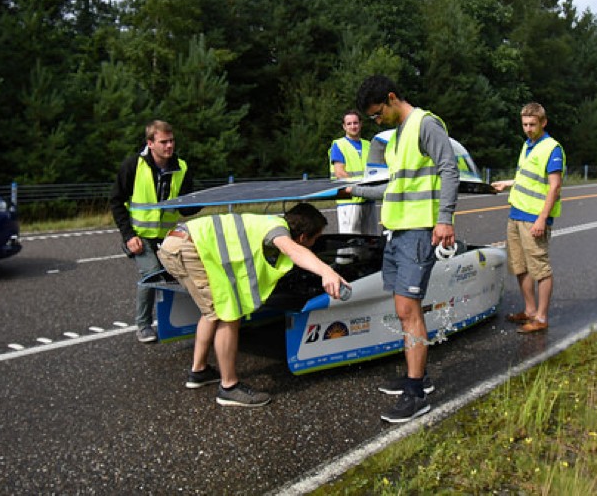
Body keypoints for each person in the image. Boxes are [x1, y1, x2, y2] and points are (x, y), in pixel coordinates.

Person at [343, 74, 459, 424]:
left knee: (409, 310)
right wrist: (357, 192)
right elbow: (395, 188)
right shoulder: (396, 138)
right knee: (404, 308)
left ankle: (415, 394)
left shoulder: (425, 124)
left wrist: (445, 219)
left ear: (392, 98)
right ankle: (416, 375)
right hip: (396, 231)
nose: (376, 122)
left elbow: (449, 169)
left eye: (377, 114)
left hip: (418, 232)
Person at [156, 203, 349, 407]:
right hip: (186, 249)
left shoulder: (267, 221)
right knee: (228, 314)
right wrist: (327, 271)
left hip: (178, 243)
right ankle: (229, 388)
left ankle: (199, 371)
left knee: (211, 311)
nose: (314, 243)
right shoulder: (277, 231)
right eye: (315, 238)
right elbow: (292, 250)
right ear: (303, 237)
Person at [109, 120, 199, 344]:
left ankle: (183, 320)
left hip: (168, 237)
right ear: (150, 143)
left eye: (172, 141)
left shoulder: (182, 167)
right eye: (163, 142)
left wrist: (201, 202)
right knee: (151, 274)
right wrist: (129, 236)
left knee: (180, 271)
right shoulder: (133, 166)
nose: (169, 146)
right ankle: (143, 325)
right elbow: (116, 201)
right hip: (140, 236)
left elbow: (185, 206)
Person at [491, 102, 564, 334]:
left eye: (533, 124)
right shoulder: (528, 145)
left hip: (534, 217)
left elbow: (554, 187)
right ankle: (530, 311)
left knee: (540, 269)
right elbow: (527, 177)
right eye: (525, 124)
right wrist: (507, 183)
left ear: (544, 122)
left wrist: (542, 219)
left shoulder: (552, 148)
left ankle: (541, 317)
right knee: (519, 266)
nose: (528, 128)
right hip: (516, 213)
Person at [328, 109, 378, 235]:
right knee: (350, 242)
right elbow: (339, 172)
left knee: (372, 240)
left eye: (355, 123)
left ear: (361, 124)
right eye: (349, 124)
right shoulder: (339, 145)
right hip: (349, 201)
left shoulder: (369, 145)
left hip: (368, 199)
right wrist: (360, 188)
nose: (353, 126)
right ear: (344, 126)